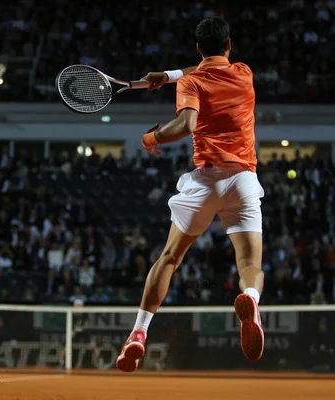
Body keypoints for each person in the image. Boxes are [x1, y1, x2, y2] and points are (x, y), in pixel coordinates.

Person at [116, 16, 265, 372]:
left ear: (198, 48)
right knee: (250, 265)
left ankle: (138, 333)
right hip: (242, 180)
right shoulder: (244, 72)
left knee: (169, 258)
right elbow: (207, 70)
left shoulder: (194, 82)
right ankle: (251, 298)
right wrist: (166, 76)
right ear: (228, 46)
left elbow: (185, 125)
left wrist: (149, 138)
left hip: (206, 181)